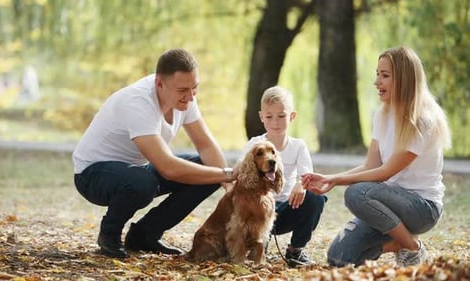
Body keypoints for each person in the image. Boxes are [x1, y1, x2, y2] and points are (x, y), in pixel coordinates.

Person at [72, 49, 237, 259]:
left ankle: (144, 235)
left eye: (195, 88)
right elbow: (167, 168)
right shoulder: (138, 102)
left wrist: (229, 186)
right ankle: (109, 235)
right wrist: (228, 173)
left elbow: (206, 146)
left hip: (136, 170)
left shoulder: (185, 97)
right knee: (143, 183)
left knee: (209, 172)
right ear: (159, 83)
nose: (190, 96)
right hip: (92, 173)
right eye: (183, 90)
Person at [302, 46, 451, 267]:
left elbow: (385, 172)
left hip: (422, 209)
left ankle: (412, 247)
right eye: (377, 74)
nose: (377, 81)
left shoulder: (422, 120)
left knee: (356, 193)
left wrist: (336, 181)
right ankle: (398, 242)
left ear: (404, 79)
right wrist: (329, 177)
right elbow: (371, 165)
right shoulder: (382, 115)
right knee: (339, 257)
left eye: (385, 75)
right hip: (387, 205)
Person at [238, 86, 327, 266]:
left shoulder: (298, 146)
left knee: (316, 197)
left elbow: (307, 176)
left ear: (292, 116)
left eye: (281, 116)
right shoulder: (255, 144)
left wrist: (301, 184)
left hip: (286, 208)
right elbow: (239, 173)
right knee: (257, 255)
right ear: (262, 117)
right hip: (258, 210)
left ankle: (296, 250)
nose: (275, 122)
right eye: (269, 116)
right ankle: (255, 245)